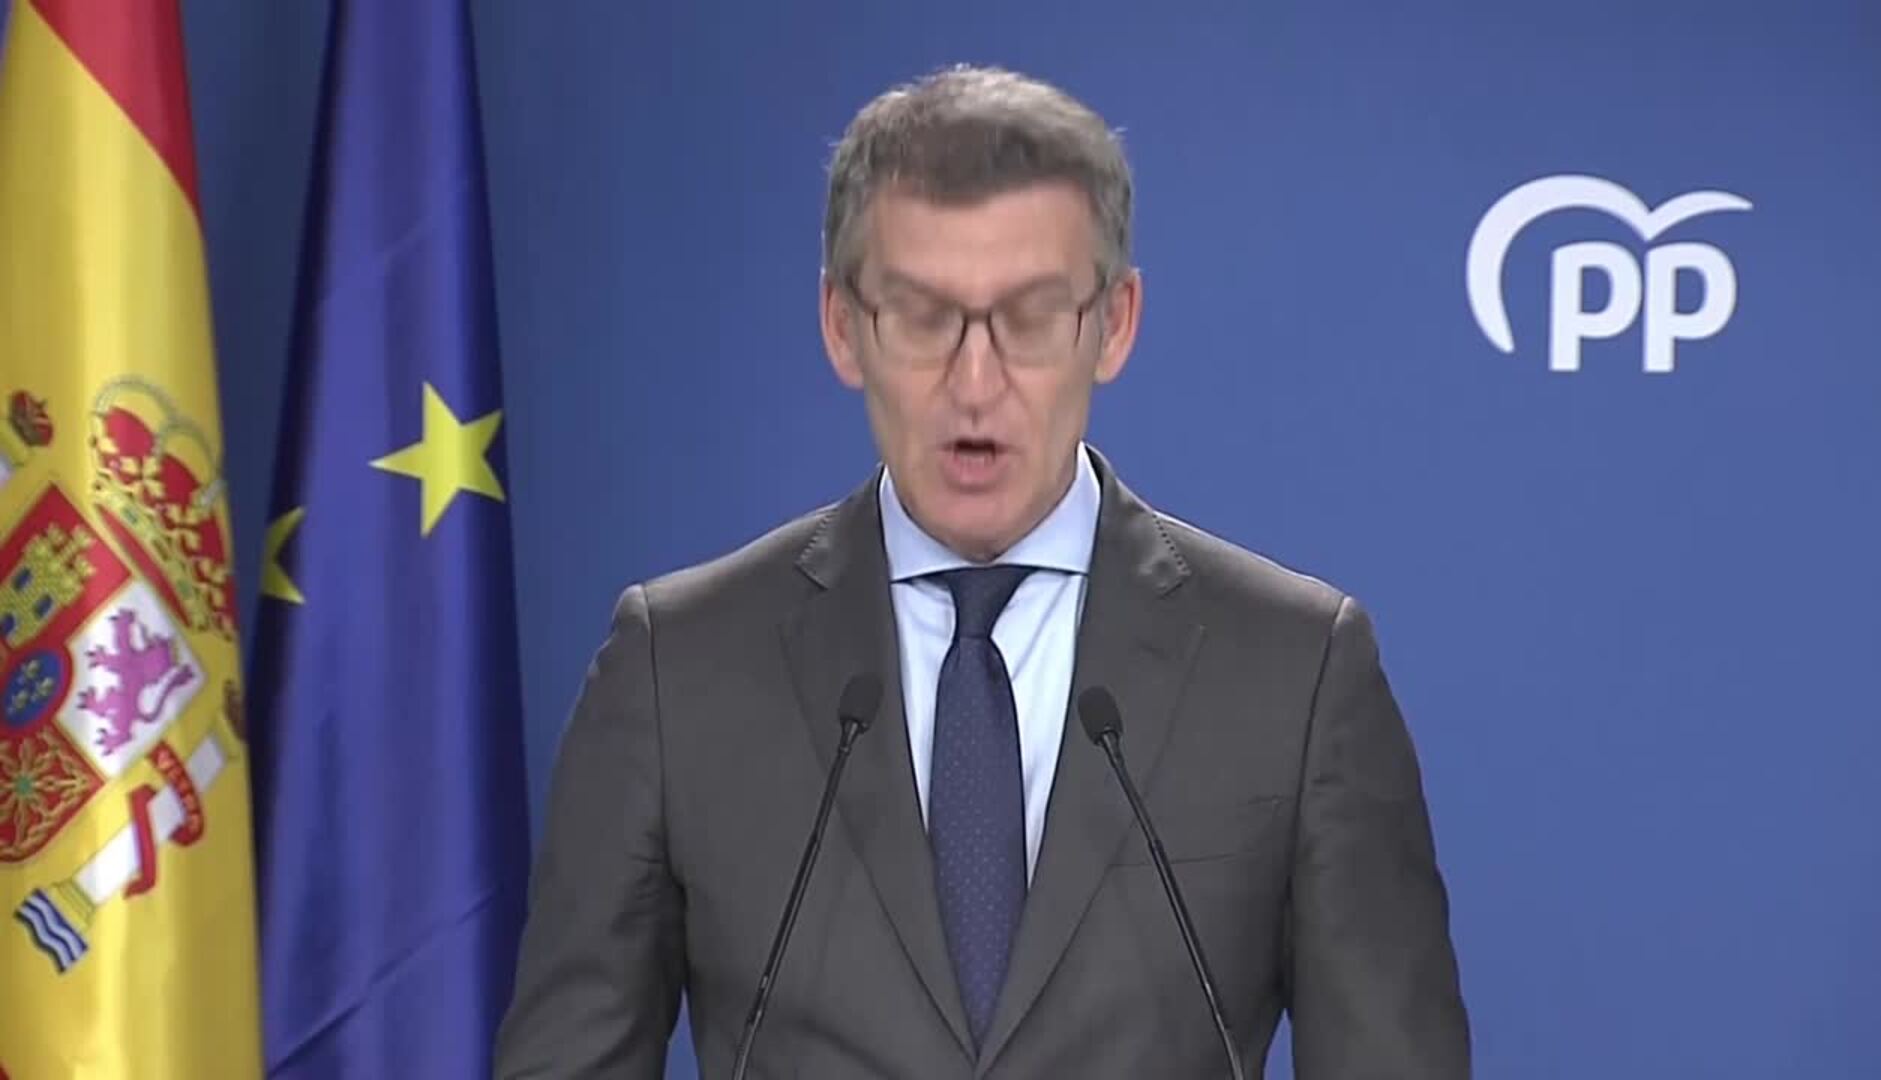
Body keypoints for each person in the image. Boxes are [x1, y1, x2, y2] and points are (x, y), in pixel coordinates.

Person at [494, 64, 1469, 1078]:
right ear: (842, 326)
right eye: (923, 317)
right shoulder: (676, 671)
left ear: (1114, 324)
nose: (974, 382)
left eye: (1031, 317)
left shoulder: (1296, 673)